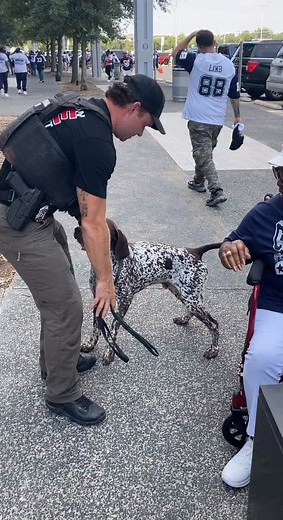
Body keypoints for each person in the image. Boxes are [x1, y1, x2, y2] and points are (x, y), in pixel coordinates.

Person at [0, 75, 165, 427]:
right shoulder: (96, 140)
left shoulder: (81, 111)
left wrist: (100, 236)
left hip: (27, 210)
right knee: (66, 304)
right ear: (135, 108)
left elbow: (79, 201)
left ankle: (57, 363)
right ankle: (62, 393)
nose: (142, 133)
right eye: (146, 123)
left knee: (60, 294)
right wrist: (106, 281)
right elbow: (92, 223)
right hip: (16, 220)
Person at [218, 145, 283, 487]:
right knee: (262, 358)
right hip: (277, 303)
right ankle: (258, 439)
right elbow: (230, 244)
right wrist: (230, 250)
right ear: (278, 177)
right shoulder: (265, 214)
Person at [172, 30, 241, 207]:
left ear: (199, 46)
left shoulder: (196, 60)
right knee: (204, 153)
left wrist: (190, 35)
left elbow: (176, 52)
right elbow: (234, 94)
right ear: (215, 42)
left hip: (198, 116)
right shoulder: (228, 65)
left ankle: (216, 189)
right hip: (217, 119)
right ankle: (197, 181)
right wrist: (237, 116)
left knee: (203, 155)